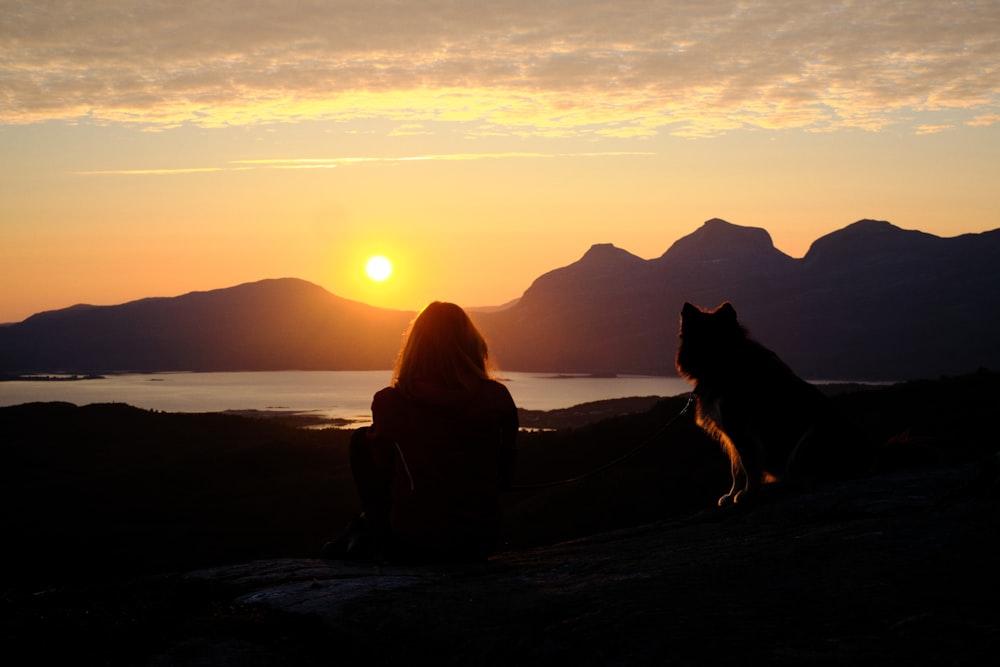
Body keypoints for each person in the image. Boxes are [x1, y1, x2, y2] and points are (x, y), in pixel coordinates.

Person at [324, 301, 518, 564]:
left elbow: (383, 471)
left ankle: (370, 536)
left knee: (361, 441)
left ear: (415, 348)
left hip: (414, 544)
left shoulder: (391, 401)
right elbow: (505, 472)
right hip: (480, 542)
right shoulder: (496, 397)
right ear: (472, 345)